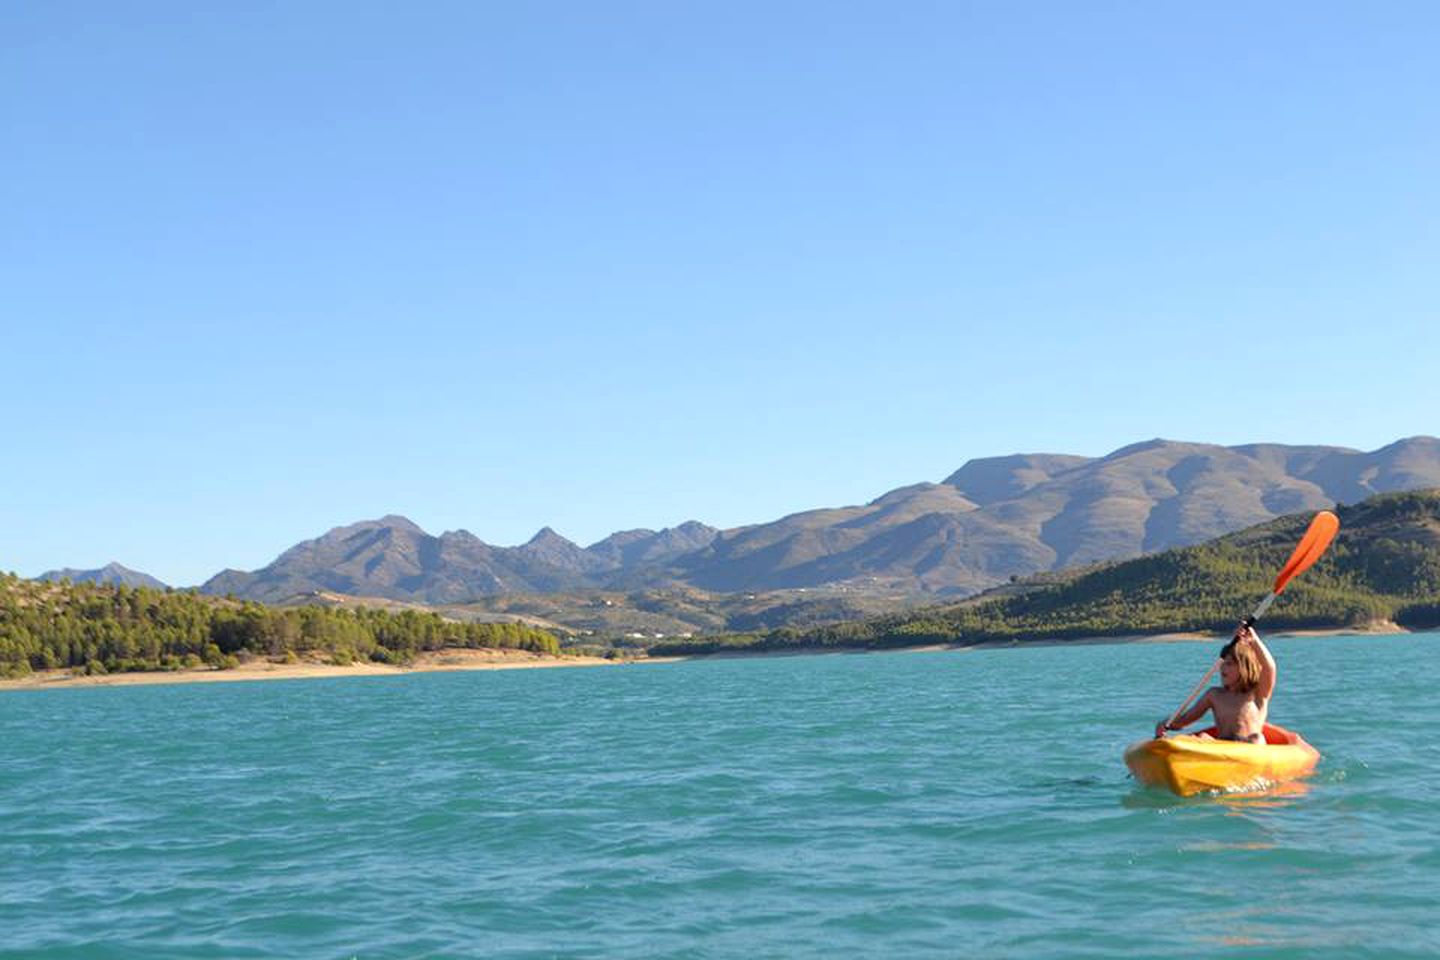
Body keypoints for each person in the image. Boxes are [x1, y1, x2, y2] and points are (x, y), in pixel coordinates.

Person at [1155, 623, 1277, 743]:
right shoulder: (1214, 695)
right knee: (1203, 737)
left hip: (1249, 748)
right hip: (1222, 747)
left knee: (1257, 738)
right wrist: (1166, 724)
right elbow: (1185, 719)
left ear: (1244, 667)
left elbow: (1269, 667)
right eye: (1222, 664)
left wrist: (1253, 640)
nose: (1223, 668)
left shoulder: (1257, 692)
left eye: (1229, 664)